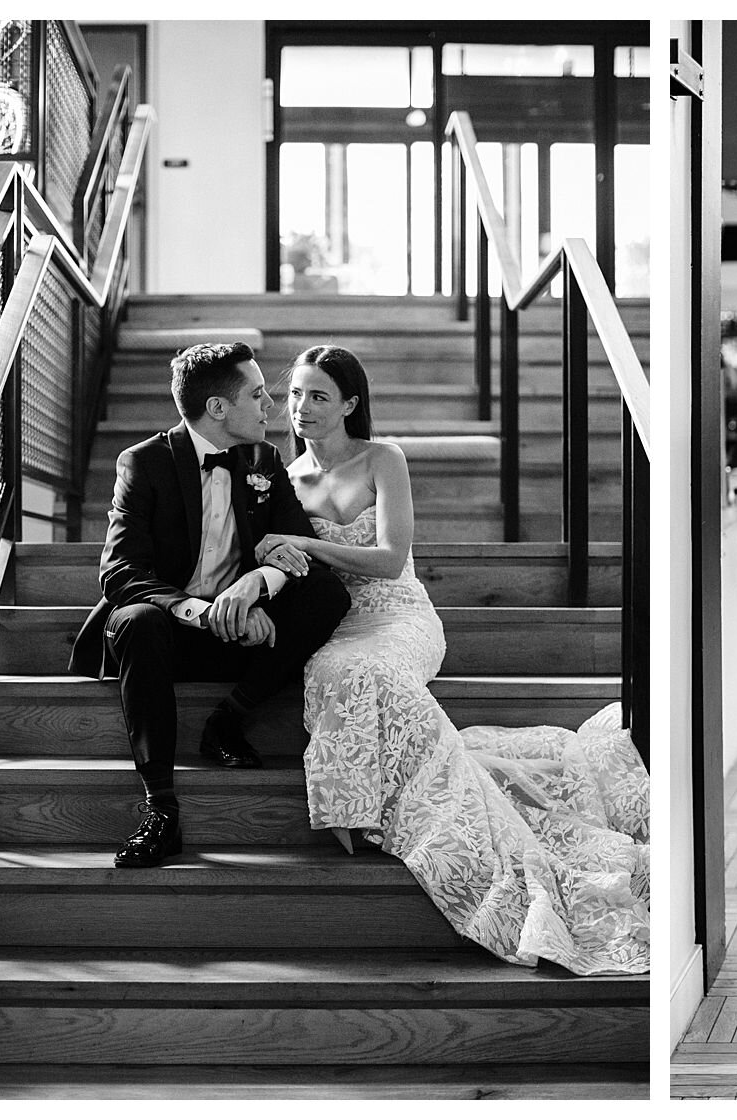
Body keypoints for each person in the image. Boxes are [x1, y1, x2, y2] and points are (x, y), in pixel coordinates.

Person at [250, 345, 649, 977]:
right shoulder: (282, 476)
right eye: (295, 394)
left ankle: (389, 814)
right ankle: (364, 811)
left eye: (319, 395)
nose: (302, 407)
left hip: (400, 616)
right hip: (335, 622)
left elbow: (387, 559)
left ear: (351, 403)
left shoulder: (384, 460)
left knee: (368, 673)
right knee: (329, 669)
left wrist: (302, 542)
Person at [69, 342, 350, 868]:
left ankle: (228, 719)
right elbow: (120, 573)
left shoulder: (265, 459)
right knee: (135, 619)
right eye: (258, 394)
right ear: (218, 408)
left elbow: (298, 544)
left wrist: (254, 589)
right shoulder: (144, 463)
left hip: (243, 634)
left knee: (325, 593)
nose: (272, 405)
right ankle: (160, 809)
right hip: (169, 633)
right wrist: (202, 611)